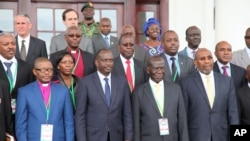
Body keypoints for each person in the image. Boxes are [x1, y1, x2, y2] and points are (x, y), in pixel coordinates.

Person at [179, 48, 239, 141]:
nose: (207, 61)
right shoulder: (186, 83)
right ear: (195, 62)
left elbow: (233, 113)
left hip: (222, 135)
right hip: (197, 135)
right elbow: (184, 114)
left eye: (209, 58)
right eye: (202, 59)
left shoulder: (227, 81)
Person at [75, 49, 133, 141]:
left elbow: (127, 113)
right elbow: (80, 115)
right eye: (105, 60)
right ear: (96, 62)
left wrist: (128, 137)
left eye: (111, 60)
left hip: (117, 135)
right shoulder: (85, 83)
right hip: (94, 136)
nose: (108, 64)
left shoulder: (122, 82)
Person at [15, 57, 74, 141]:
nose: (47, 73)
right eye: (43, 70)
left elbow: (69, 122)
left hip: (57, 137)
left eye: (50, 69)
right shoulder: (24, 92)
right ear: (35, 71)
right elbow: (21, 123)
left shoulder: (63, 91)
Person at [132, 56, 189, 141]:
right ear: (148, 70)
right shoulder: (138, 92)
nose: (159, 72)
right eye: (156, 68)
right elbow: (136, 123)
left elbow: (182, 119)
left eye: (162, 68)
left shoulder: (176, 89)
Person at [0, 32, 33, 135]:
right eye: (6, 44)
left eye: (13, 44)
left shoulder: (27, 67)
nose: (10, 47)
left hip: (20, 116)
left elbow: (31, 92)